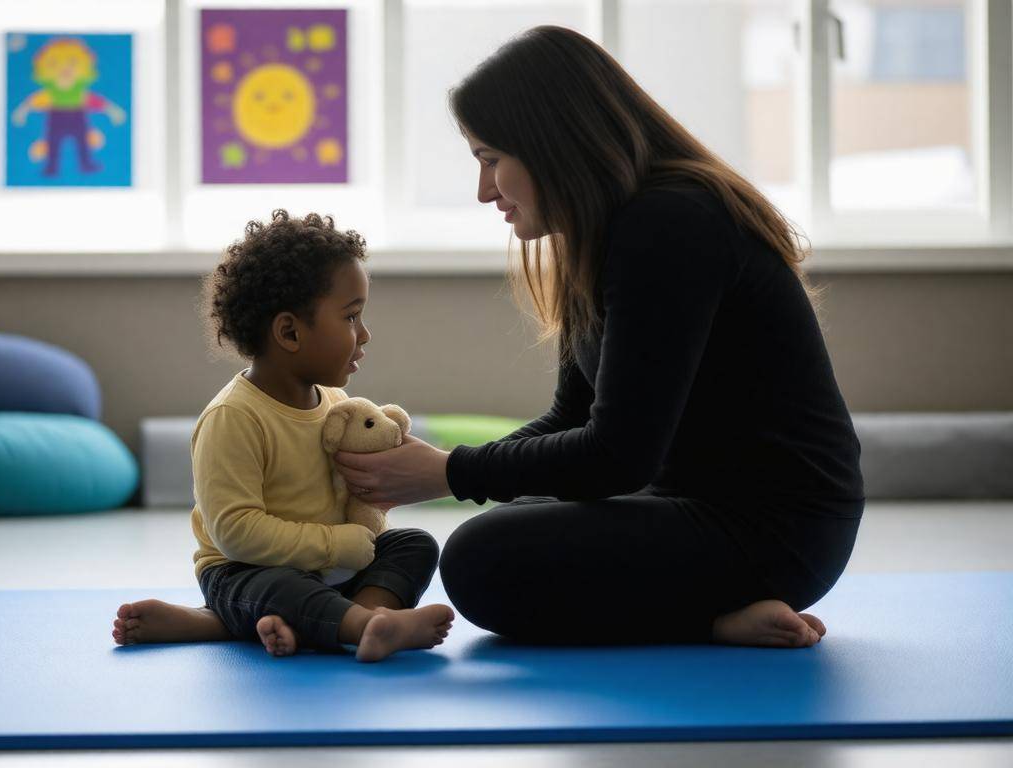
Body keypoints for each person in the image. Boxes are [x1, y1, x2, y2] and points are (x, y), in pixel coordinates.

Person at [333, 26, 864, 648]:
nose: (484, 192)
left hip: (778, 529)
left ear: (551, 144)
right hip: (687, 503)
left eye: (491, 160)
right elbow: (572, 416)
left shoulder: (669, 223)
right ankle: (715, 612)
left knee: (481, 555)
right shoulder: (604, 234)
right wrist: (430, 469)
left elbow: (616, 455)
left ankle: (709, 618)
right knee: (512, 523)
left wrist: (451, 472)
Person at [112, 210, 454, 661]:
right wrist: (336, 544)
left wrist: (373, 494)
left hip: (330, 570)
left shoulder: (333, 405)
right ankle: (360, 624)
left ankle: (356, 622)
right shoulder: (234, 417)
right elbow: (235, 533)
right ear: (289, 332)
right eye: (351, 317)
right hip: (247, 570)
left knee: (414, 544)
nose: (365, 334)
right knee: (279, 586)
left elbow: (347, 502)